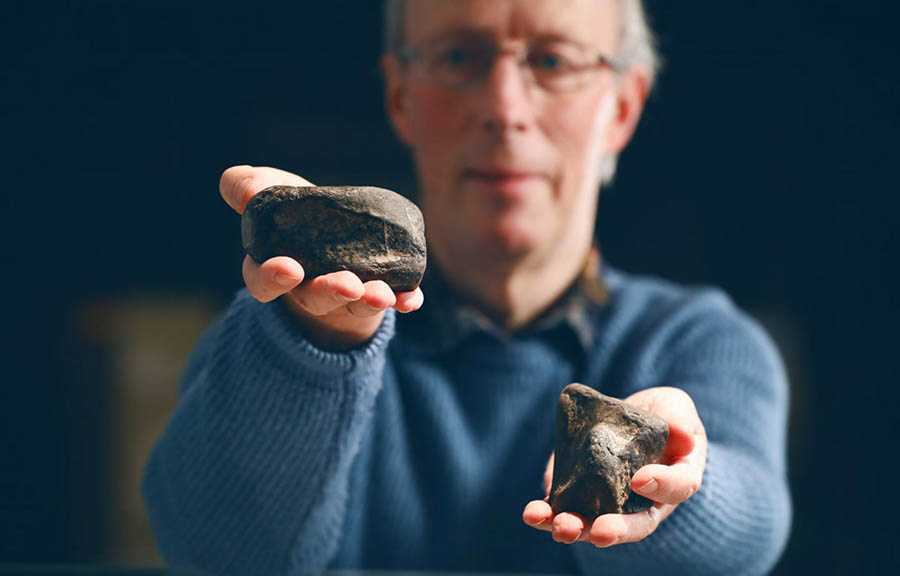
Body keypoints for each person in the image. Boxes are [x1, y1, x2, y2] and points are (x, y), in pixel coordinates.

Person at [142, 0, 792, 574]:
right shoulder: (277, 330)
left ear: (622, 107)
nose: (503, 110)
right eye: (458, 56)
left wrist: (673, 472)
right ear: (400, 96)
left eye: (553, 60)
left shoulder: (700, 341)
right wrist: (315, 339)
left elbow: (743, 540)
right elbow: (213, 553)